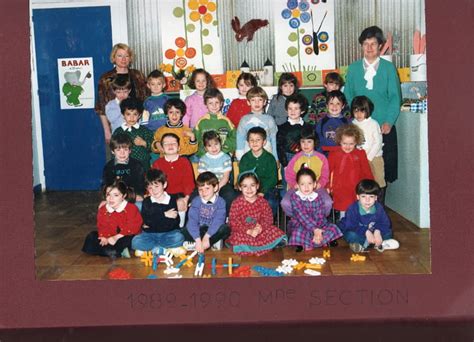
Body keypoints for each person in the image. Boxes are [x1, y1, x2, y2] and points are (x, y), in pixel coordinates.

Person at [344, 26, 402, 188]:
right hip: (360, 127)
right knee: (358, 169)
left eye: (373, 44)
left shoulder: (388, 68)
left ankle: (379, 209)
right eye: (365, 44)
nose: (369, 48)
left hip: (383, 126)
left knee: (381, 170)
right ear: (361, 45)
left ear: (380, 46)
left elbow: (395, 98)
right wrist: (356, 120)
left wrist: (389, 121)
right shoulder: (353, 68)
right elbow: (348, 96)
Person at [95, 43, 147, 147]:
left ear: (130, 58)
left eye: (126, 56)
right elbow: (101, 107)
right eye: (120, 56)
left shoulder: (137, 75)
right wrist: (107, 131)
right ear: (113, 57)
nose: (123, 59)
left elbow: (145, 100)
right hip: (116, 127)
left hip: (137, 127)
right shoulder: (106, 78)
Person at [227, 171, 287, 256]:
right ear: (240, 187)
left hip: (260, 229)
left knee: (274, 231)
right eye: (245, 186)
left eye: (252, 185)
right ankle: (254, 246)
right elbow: (233, 222)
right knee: (237, 238)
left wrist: (260, 228)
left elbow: (268, 218)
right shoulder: (236, 203)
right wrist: (248, 231)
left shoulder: (262, 202)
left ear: (257, 186)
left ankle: (268, 244)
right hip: (244, 231)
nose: (249, 189)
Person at [82, 180, 142, 258]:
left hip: (125, 235)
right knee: (91, 237)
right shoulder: (103, 209)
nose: (111, 198)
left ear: (123, 196)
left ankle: (112, 251)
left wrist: (116, 237)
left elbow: (133, 227)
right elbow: (102, 225)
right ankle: (115, 252)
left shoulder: (131, 208)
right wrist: (103, 236)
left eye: (115, 195)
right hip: (110, 237)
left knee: (129, 240)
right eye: (108, 195)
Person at [281, 126, 332, 217]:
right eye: (303, 142)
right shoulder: (296, 158)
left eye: (309, 142)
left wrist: (320, 183)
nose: (306, 145)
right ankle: (299, 218)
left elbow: (325, 175)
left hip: (316, 187)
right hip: (299, 187)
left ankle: (318, 219)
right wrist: (294, 184)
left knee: (327, 202)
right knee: (285, 203)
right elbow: (289, 174)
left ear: (314, 143)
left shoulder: (322, 158)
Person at [287, 167, 342, 252]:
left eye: (309, 183)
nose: (306, 187)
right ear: (297, 185)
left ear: (314, 184)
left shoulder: (318, 197)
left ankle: (314, 240)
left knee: (333, 227)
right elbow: (301, 216)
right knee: (297, 233)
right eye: (302, 184)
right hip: (301, 224)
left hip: (318, 225)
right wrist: (314, 229)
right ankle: (321, 241)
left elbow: (320, 215)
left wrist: (318, 230)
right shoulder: (295, 197)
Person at [131, 169, 185, 255]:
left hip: (168, 233)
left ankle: (153, 249)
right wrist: (164, 214)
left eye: (156, 186)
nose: (154, 191)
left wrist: (154, 218)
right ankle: (164, 249)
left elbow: (172, 223)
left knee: (179, 237)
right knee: (135, 241)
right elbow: (147, 220)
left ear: (164, 185)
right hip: (150, 234)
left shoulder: (171, 200)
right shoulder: (147, 201)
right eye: (150, 188)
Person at [339, 179, 400, 253]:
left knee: (388, 232)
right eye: (363, 196)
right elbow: (351, 226)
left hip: (373, 233)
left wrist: (377, 232)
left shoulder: (379, 208)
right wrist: (366, 232)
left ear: (376, 198)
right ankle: (366, 244)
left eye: (371, 197)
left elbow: (385, 223)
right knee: (351, 235)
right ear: (358, 197)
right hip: (359, 232)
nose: (367, 200)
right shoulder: (353, 209)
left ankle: (376, 244)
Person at [328, 124, 374, 217]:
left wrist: (369, 186)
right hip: (340, 187)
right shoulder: (334, 154)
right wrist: (327, 186)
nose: (348, 147)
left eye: (351, 144)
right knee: (344, 209)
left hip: (356, 187)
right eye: (344, 143)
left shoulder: (360, 154)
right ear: (340, 141)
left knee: (358, 207)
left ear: (356, 142)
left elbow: (366, 171)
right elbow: (328, 171)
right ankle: (344, 223)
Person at [151, 133, 195, 226]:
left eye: (173, 143)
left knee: (180, 203)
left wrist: (186, 199)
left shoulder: (184, 162)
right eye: (166, 143)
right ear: (162, 148)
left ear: (179, 147)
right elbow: (153, 183)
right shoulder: (157, 163)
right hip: (162, 193)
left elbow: (189, 183)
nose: (170, 145)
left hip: (180, 194)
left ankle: (181, 227)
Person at [181, 172, 231, 253]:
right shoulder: (196, 201)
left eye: (207, 188)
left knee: (226, 229)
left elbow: (218, 221)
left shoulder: (221, 202)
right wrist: (197, 239)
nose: (204, 192)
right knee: (182, 232)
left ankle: (207, 242)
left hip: (213, 230)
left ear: (215, 188)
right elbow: (192, 221)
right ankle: (204, 243)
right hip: (199, 229)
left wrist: (207, 237)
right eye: (201, 189)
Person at [238, 127, 279, 216]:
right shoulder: (245, 158)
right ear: (248, 143)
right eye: (251, 140)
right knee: (240, 202)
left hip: (267, 188)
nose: (254, 143)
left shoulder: (270, 158)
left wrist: (262, 191)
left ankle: (267, 224)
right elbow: (243, 178)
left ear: (264, 142)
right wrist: (252, 190)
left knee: (271, 202)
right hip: (249, 188)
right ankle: (247, 224)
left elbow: (273, 179)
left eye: (258, 140)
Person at [351, 96, 386, 194]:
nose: (358, 114)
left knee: (378, 181)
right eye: (356, 111)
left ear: (368, 111)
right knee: (363, 181)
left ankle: (380, 205)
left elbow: (378, 143)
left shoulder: (373, 124)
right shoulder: (353, 123)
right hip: (359, 158)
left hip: (374, 157)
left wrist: (369, 157)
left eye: (362, 111)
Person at [197, 131, 237, 214]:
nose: (214, 148)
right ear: (205, 148)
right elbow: (203, 177)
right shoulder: (203, 159)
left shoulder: (225, 157)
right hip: (207, 185)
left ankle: (227, 216)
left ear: (220, 144)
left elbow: (226, 177)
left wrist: (217, 189)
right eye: (209, 146)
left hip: (222, 184)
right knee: (196, 195)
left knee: (229, 194)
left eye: (216, 144)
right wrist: (210, 189)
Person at [102, 133, 145, 209]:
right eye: (118, 150)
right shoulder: (109, 166)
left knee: (139, 206)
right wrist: (107, 198)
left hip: (132, 197)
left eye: (125, 149)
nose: (122, 153)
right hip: (115, 197)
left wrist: (138, 194)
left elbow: (140, 184)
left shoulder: (137, 165)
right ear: (112, 151)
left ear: (130, 150)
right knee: (103, 207)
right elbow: (106, 185)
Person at [235, 86, 278, 162]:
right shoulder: (244, 119)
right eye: (253, 100)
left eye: (260, 100)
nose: (257, 103)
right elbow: (240, 138)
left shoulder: (269, 119)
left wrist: (275, 158)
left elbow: (273, 139)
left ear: (265, 102)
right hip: (249, 151)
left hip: (266, 151)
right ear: (248, 102)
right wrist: (240, 157)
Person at [111, 97, 154, 169]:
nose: (131, 117)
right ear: (123, 115)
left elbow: (153, 146)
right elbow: (113, 148)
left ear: (139, 115)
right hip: (125, 164)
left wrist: (144, 143)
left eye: (135, 114)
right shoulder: (118, 131)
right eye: (128, 114)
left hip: (143, 164)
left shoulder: (144, 130)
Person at [193, 88, 236, 158]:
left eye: (217, 102)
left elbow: (234, 138)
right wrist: (203, 152)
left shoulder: (226, 121)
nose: (214, 106)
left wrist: (225, 148)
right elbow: (196, 140)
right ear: (206, 104)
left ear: (221, 103)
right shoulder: (201, 122)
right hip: (205, 157)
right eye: (210, 103)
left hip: (223, 155)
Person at [276, 93, 312, 167]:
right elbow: (279, 147)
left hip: (305, 158)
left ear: (302, 111)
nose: (293, 111)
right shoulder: (282, 128)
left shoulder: (308, 127)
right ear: (286, 110)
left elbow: (313, 145)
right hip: (287, 159)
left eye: (296, 108)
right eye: (290, 108)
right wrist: (285, 164)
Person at [315, 90, 350, 154]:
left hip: (342, 156)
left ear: (343, 106)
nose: (334, 106)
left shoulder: (347, 123)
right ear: (327, 105)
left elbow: (351, 142)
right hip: (326, 157)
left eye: (338, 103)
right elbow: (318, 142)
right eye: (331, 103)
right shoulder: (321, 123)